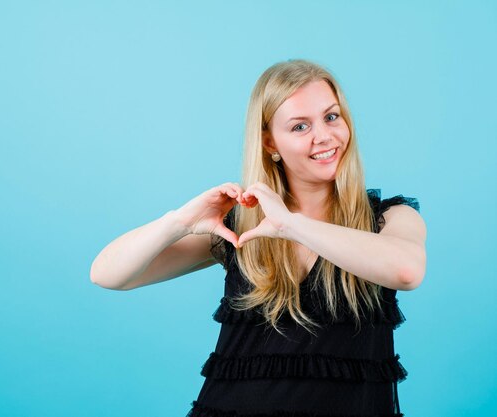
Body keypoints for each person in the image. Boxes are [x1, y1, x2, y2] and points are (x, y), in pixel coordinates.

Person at [90, 59, 427, 417]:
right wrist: (178, 221)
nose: (325, 136)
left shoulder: (390, 218)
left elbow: (407, 271)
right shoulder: (242, 226)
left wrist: (290, 224)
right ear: (270, 143)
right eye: (300, 126)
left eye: (332, 117)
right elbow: (107, 274)